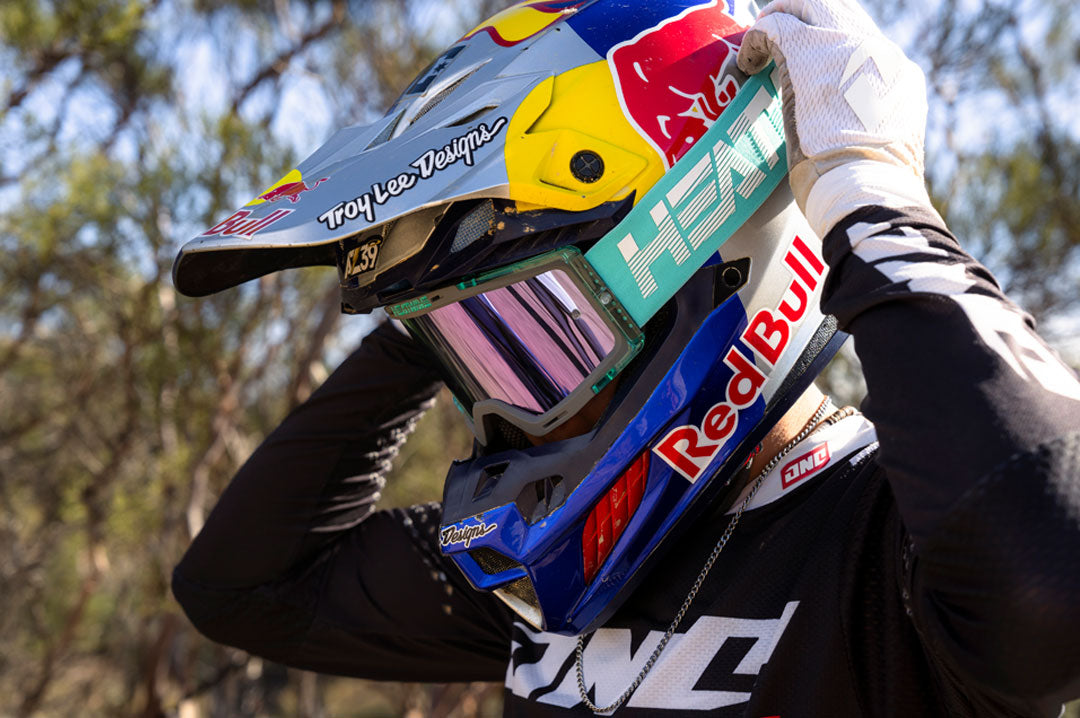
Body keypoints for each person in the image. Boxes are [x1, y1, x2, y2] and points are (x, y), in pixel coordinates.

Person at [171, 0, 1080, 714]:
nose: (500, 411)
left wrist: (870, 196)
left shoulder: (888, 546)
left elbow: (1055, 575)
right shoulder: (551, 579)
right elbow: (244, 586)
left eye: (537, 334)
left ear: (708, 257)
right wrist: (434, 291)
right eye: (475, 356)